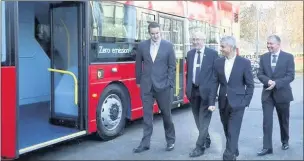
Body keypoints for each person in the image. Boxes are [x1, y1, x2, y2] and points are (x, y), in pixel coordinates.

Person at [208, 36, 254, 160]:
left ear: (231, 47)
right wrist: (211, 102)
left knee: (233, 130)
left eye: (223, 46)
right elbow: (214, 83)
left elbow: (250, 84)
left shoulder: (244, 63)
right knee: (227, 128)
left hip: (238, 103)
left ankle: (228, 156)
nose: (220, 49)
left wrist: (245, 101)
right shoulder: (218, 62)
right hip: (223, 102)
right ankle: (234, 149)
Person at [134, 22, 176, 153]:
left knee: (166, 115)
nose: (155, 36)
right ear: (149, 33)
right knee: (147, 116)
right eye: (152, 33)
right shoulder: (142, 46)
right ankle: (145, 143)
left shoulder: (168, 46)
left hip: (163, 87)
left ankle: (170, 140)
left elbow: (172, 67)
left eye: (157, 33)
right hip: (147, 87)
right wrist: (139, 81)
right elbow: (138, 64)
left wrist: (169, 83)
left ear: (160, 32)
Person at [256, 35, 295, 156]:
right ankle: (267, 147)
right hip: (267, 94)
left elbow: (290, 75)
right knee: (267, 121)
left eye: (271, 44)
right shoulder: (263, 57)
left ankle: (285, 141)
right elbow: (260, 73)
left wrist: (276, 83)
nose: (268, 46)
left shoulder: (288, 57)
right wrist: (267, 81)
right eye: (267, 43)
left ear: (278, 44)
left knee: (284, 120)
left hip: (282, 94)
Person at [185, 31, 219, 157]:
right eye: (193, 39)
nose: (195, 41)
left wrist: (213, 97)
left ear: (204, 39)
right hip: (193, 91)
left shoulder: (213, 54)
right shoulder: (190, 54)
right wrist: (187, 90)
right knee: (198, 120)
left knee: (203, 120)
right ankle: (206, 138)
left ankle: (200, 147)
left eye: (198, 39)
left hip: (206, 93)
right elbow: (189, 74)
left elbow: (215, 77)